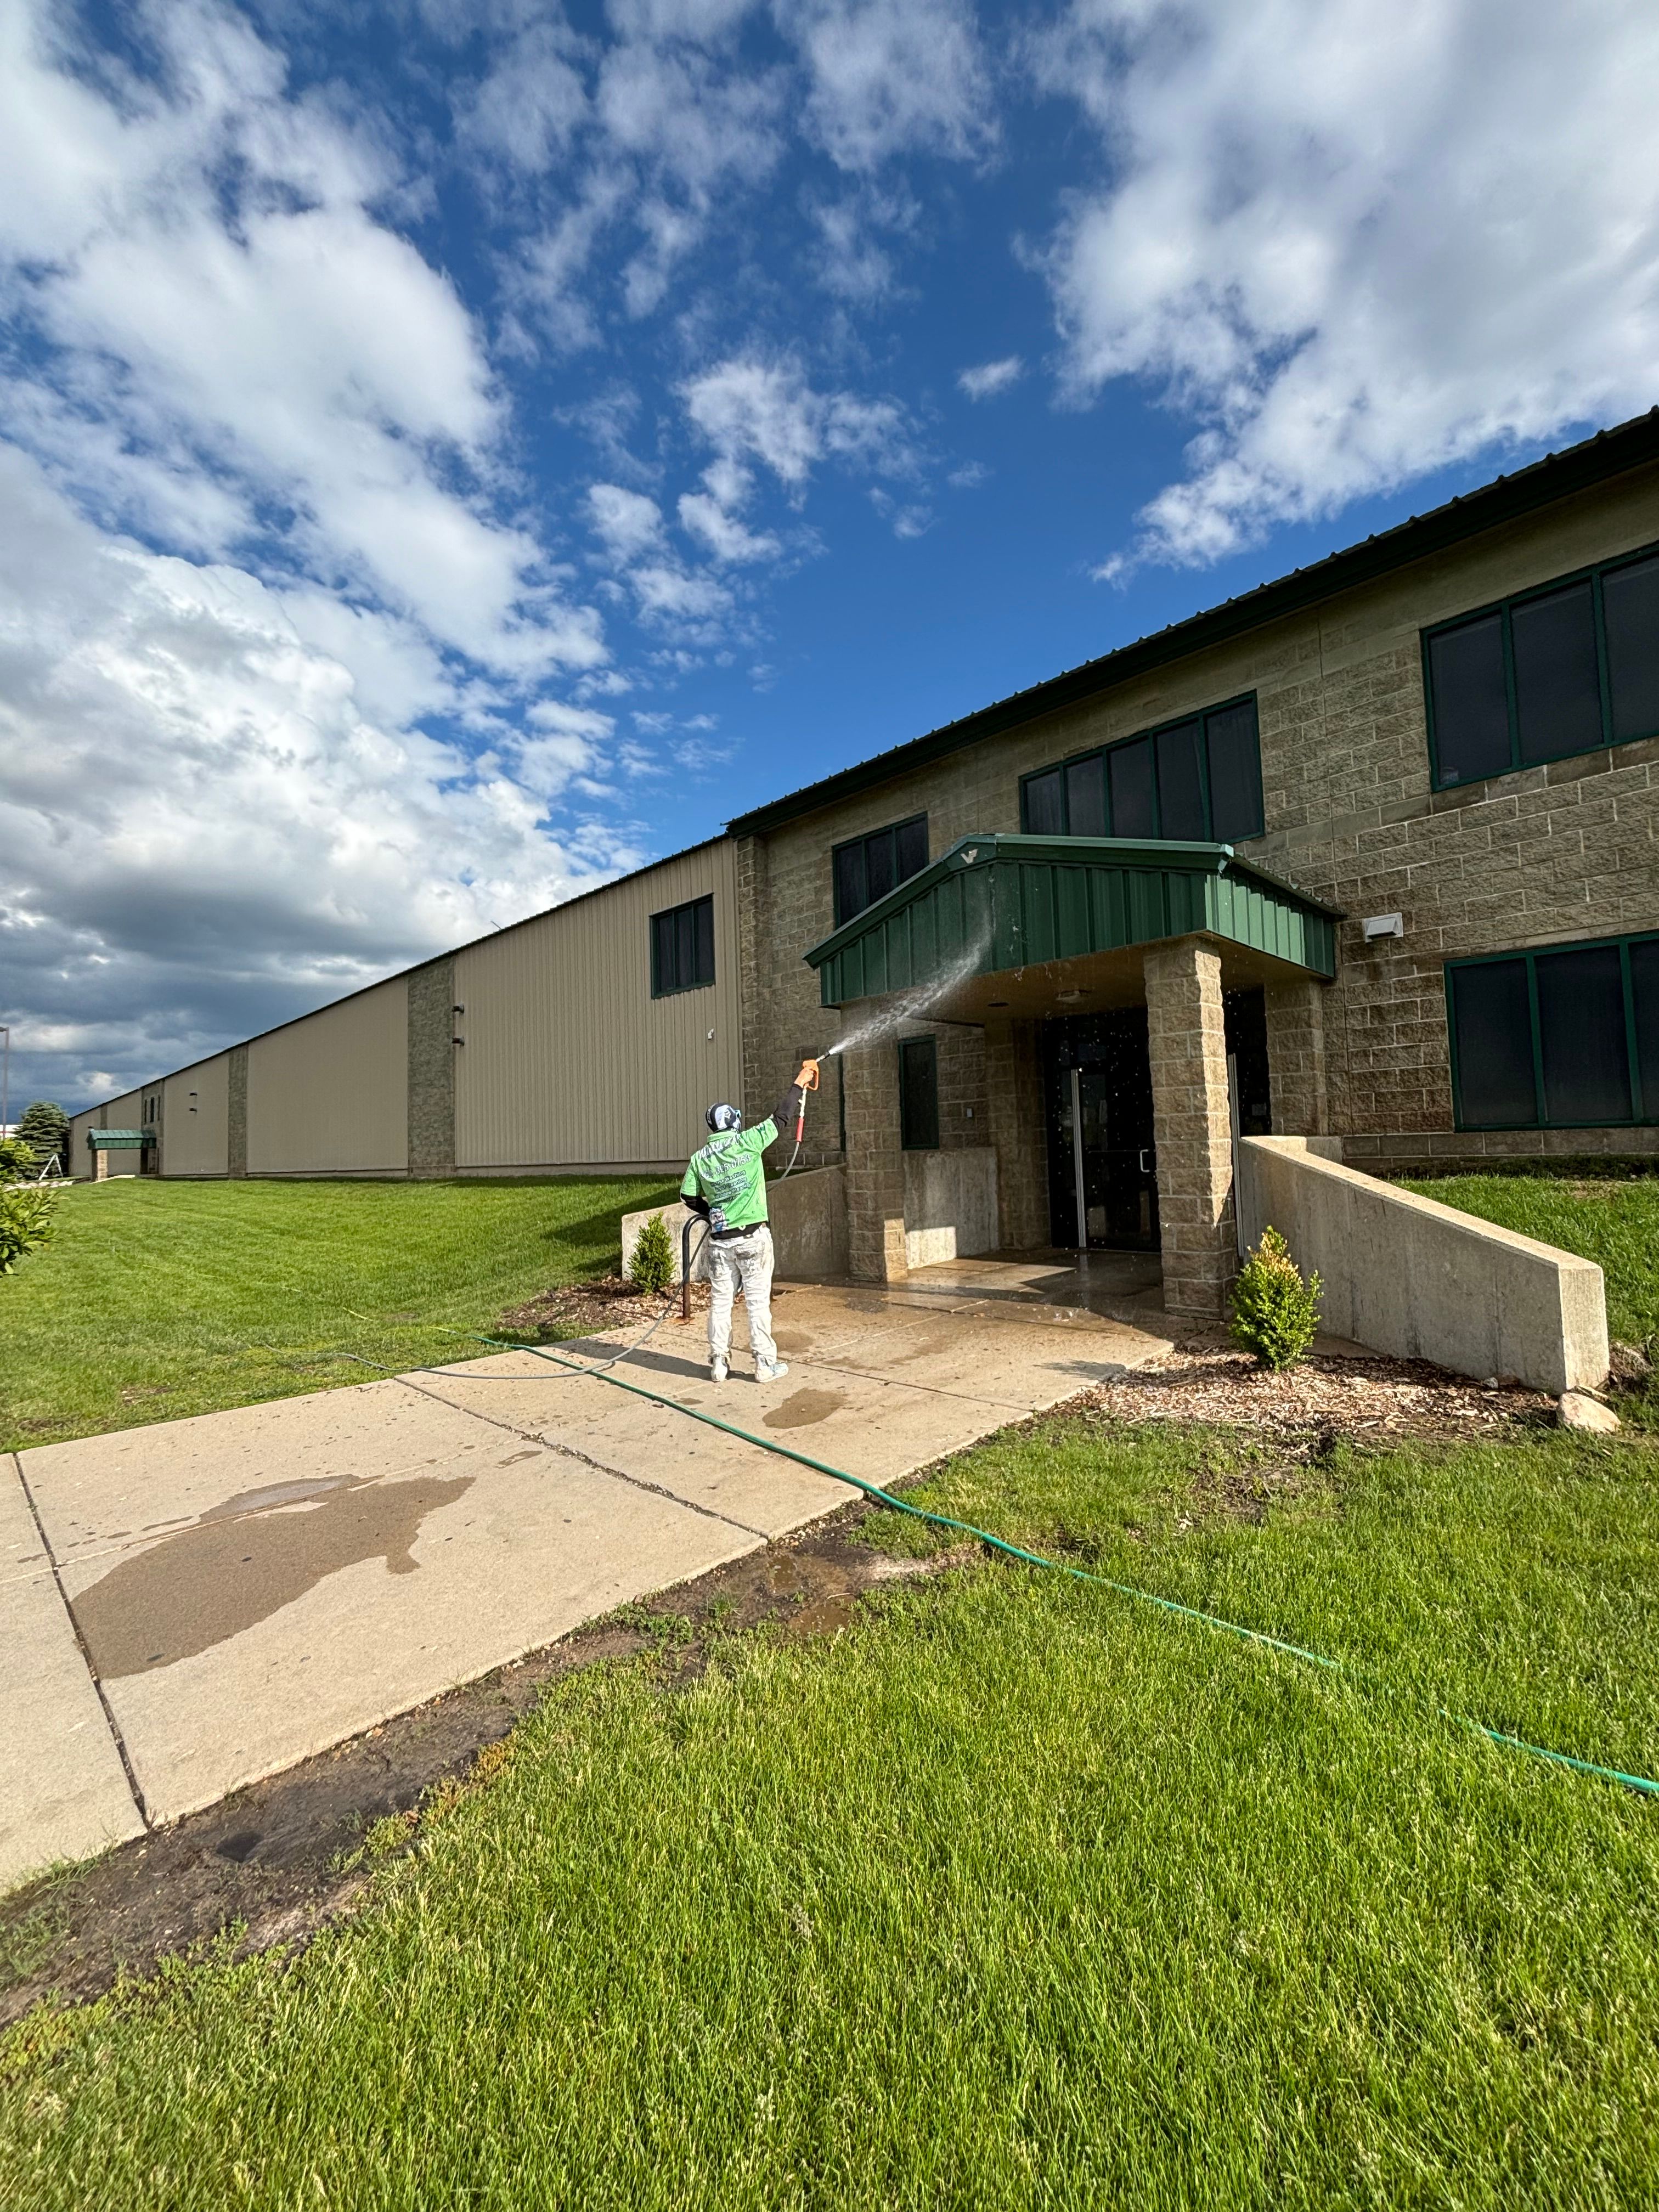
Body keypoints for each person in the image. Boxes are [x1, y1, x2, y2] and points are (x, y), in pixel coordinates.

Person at [681, 1060, 819, 1384]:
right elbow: (782, 1117)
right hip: (753, 1239)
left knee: (720, 1303)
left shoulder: (700, 1159)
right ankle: (764, 1365)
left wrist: (710, 1210)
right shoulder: (749, 1141)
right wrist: (800, 1081)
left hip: (720, 1242)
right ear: (735, 1124)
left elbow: (687, 1197)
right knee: (757, 1303)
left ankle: (718, 1363)